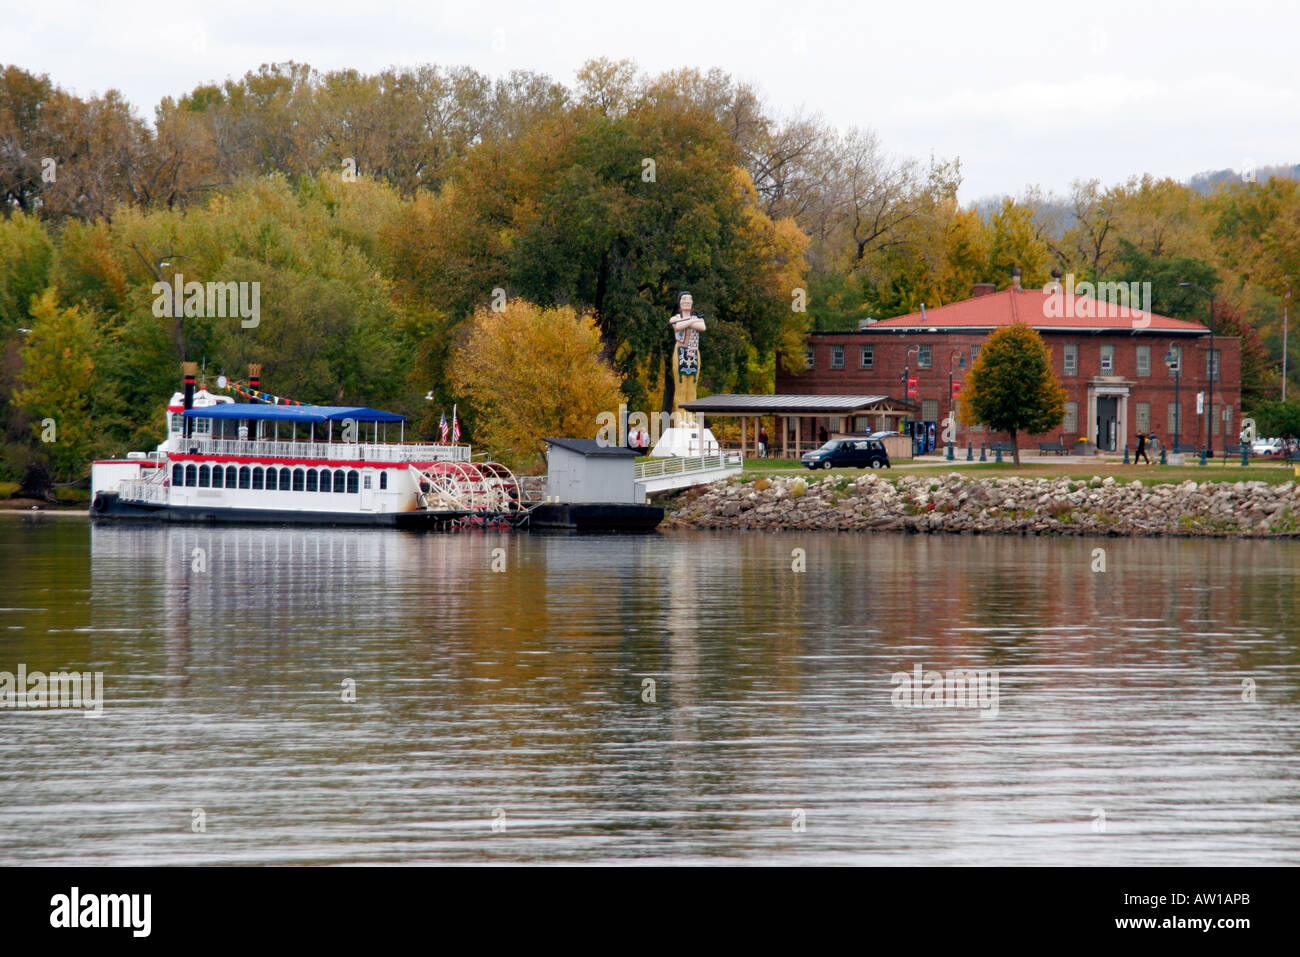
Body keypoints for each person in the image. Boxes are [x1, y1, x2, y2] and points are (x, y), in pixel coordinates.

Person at [669, 292, 706, 422]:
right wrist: (691, 321)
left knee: (692, 387)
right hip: (680, 351)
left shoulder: (697, 318)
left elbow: (702, 327)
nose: (687, 301)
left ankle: (691, 417)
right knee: (681, 386)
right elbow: (677, 326)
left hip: (694, 352)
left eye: (690, 299)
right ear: (679, 301)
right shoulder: (675, 318)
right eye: (684, 299)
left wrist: (689, 321)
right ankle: (680, 418)